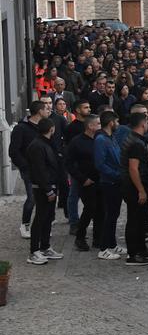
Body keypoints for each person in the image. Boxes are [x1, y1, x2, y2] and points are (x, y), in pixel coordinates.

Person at [120, 112, 148, 266]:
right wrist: (141, 190)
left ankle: (141, 249)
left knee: (140, 219)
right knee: (134, 220)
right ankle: (133, 254)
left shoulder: (134, 139)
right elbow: (133, 169)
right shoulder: (135, 143)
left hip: (135, 184)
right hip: (134, 186)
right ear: (143, 124)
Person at [24, 118, 61, 265]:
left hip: (49, 185)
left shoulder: (45, 143)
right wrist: (48, 190)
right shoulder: (37, 146)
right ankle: (34, 251)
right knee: (40, 218)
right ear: (51, 129)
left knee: (47, 218)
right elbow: (39, 170)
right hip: (42, 188)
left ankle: (45, 247)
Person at [9, 99, 48, 240]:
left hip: (44, 168)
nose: (48, 110)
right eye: (46, 108)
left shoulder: (44, 126)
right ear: (39, 111)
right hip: (29, 169)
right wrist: (25, 166)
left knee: (44, 198)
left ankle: (41, 226)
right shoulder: (21, 128)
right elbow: (13, 151)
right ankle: (25, 224)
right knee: (32, 197)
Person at [66, 114, 101, 253]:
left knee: (101, 210)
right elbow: (69, 164)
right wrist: (82, 178)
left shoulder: (100, 139)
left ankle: (98, 239)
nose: (100, 126)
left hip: (100, 180)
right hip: (86, 182)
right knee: (90, 209)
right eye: (98, 123)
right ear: (90, 126)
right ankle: (80, 237)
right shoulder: (77, 142)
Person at [92, 111, 125, 260]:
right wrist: (116, 174)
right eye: (116, 121)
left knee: (114, 214)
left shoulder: (111, 138)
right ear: (111, 122)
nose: (118, 124)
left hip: (116, 181)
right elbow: (100, 163)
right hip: (109, 183)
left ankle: (112, 244)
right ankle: (104, 248)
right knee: (109, 216)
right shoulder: (101, 139)